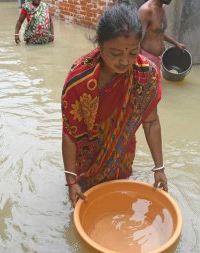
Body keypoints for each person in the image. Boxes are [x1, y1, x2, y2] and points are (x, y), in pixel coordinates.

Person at [61, 0, 168, 207]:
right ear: (100, 45)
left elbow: (151, 123)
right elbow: (69, 133)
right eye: (116, 53)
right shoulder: (79, 80)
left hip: (121, 155)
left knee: (119, 204)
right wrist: (71, 180)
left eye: (132, 52)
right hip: (86, 160)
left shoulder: (146, 75)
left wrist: (159, 168)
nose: (125, 61)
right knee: (85, 203)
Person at [138, 0, 185, 69]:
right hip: (146, 59)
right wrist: (141, 64)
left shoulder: (162, 7)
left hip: (157, 59)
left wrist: (176, 43)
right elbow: (136, 40)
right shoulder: (146, 10)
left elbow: (158, 32)